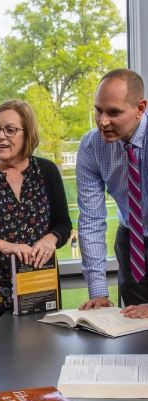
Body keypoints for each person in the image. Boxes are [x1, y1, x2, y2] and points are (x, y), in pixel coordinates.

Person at [0, 99, 72, 334]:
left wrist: (51, 239)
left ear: (27, 133)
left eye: (10, 130)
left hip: (39, 290)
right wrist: (3, 245)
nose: (0, 136)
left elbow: (63, 224)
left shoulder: (47, 171)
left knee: (42, 364)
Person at [76, 69, 148, 319]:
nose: (102, 121)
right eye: (98, 110)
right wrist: (98, 291)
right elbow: (92, 220)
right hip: (132, 244)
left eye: (114, 112)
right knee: (135, 330)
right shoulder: (90, 146)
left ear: (140, 108)